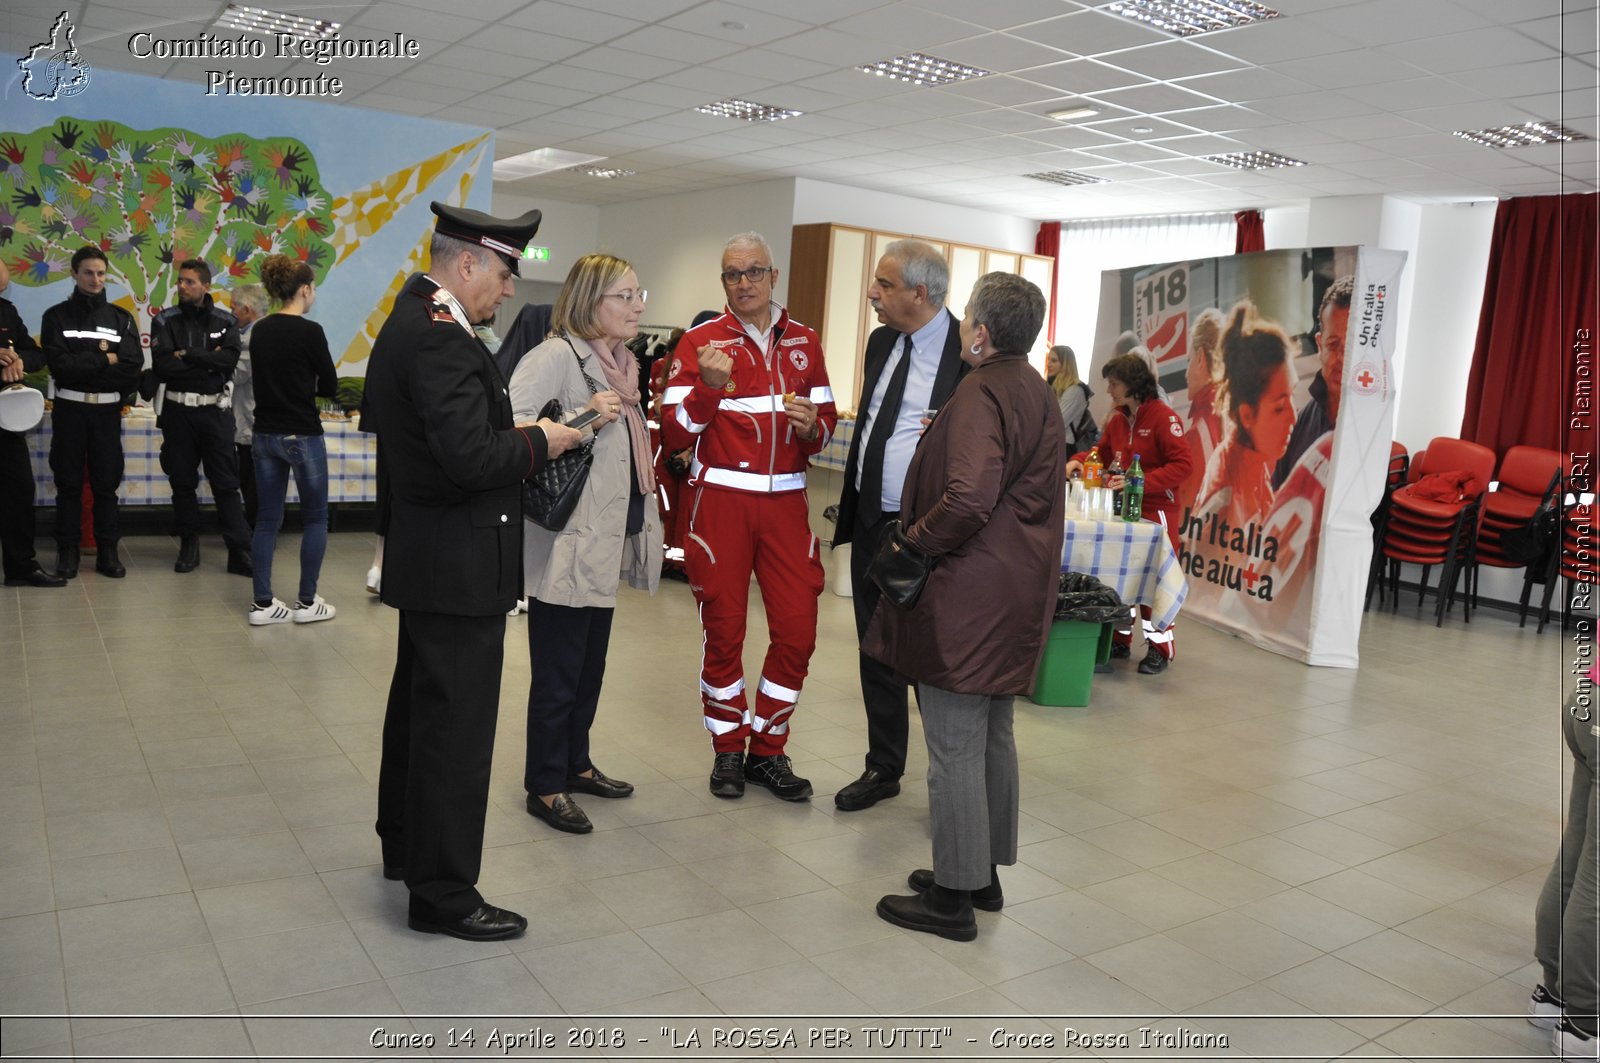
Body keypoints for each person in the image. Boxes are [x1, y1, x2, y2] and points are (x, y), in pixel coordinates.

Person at [368, 203, 580, 943]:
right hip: (457, 564)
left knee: (420, 716)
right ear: (466, 265)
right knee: (454, 735)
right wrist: (541, 440)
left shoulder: (415, 321)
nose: (507, 290)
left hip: (433, 558)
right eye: (502, 273)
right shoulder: (439, 339)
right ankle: (445, 893)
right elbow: (470, 457)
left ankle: (406, 847)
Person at [866, 271, 1065, 942]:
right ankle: (980, 872)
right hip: (1014, 594)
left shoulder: (981, 390)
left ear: (979, 332)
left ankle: (952, 898)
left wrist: (911, 543)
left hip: (969, 595)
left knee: (953, 744)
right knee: (992, 737)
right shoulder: (1037, 389)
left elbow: (970, 499)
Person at [660, 232, 837, 801]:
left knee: (798, 633)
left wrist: (815, 428)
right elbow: (675, 433)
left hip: (787, 506)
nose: (743, 284)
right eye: (732, 275)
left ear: (773, 276)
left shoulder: (805, 342)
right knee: (725, 634)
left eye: (753, 272)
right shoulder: (699, 342)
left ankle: (769, 747)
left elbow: (826, 424)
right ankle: (729, 751)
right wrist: (708, 391)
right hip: (722, 508)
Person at [510, 252, 662, 834]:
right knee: (557, 672)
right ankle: (544, 785)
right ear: (589, 300)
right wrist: (585, 416)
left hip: (602, 539)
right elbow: (516, 431)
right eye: (625, 295)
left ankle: (576, 764)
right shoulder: (554, 356)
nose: (638, 306)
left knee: (589, 668)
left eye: (638, 293)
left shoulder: (622, 364)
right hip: (564, 541)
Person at [831, 239, 967, 813]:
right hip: (871, 521)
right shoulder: (881, 342)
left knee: (930, 658)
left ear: (920, 291)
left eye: (883, 285)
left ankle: (950, 779)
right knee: (874, 648)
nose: (871, 294)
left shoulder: (969, 354)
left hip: (929, 532)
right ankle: (883, 766)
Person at [1067, 353, 1194, 674]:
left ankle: (1159, 649)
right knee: (1121, 574)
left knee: (1152, 581)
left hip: (1156, 512)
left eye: (1114, 384)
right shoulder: (1120, 418)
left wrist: (1142, 481)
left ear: (1134, 385)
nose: (1108, 390)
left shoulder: (1164, 418)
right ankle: (1120, 640)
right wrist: (1080, 459)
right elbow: (1103, 452)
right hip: (1123, 511)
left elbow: (1183, 465)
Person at [246, 254, 338, 625]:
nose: (314, 294)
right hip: (302, 433)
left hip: (264, 433)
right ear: (303, 290)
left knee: (267, 520)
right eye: (313, 287)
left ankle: (263, 604)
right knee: (315, 518)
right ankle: (306, 601)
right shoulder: (310, 332)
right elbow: (330, 385)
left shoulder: (260, 330)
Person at [149, 258, 253, 576]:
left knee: (226, 483)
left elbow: (230, 360)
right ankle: (189, 544)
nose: (182, 286)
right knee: (183, 482)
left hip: (214, 412)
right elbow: (164, 364)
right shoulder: (165, 320)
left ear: (206, 285)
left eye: (189, 282)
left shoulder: (226, 321)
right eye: (180, 281)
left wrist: (190, 354)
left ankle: (239, 551)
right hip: (178, 412)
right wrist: (210, 359)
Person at [42, 245, 141, 579]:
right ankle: (67, 552)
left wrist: (86, 365)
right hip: (69, 411)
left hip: (107, 414)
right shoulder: (55, 316)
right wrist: (104, 359)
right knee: (68, 483)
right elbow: (60, 366)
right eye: (88, 272)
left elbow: (130, 368)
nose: (95, 279)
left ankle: (107, 552)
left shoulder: (121, 318)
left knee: (106, 484)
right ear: (74, 273)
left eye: (101, 273)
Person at [1532, 664, 1600, 1057]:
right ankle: (1586, 1022)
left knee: (1576, 855)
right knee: (1594, 876)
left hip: (1587, 696)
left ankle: (1554, 993)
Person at [1192, 303, 1297, 530]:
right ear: (1247, 415)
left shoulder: (1252, 469)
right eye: (1279, 407)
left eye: (1293, 396)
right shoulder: (1226, 503)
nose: (1293, 417)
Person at [0, 259, 66, 588]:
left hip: (6, 421)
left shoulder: (7, 312)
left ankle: (20, 567)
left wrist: (21, 361)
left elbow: (36, 353)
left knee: (18, 492)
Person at [1273, 275, 1352, 488]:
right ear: (1319, 345)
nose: (1342, 358)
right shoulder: (1297, 426)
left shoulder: (1371, 424)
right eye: (1334, 345)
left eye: (1351, 346)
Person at [229, 284, 266, 529]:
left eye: (233, 307)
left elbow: (237, 373)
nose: (230, 312)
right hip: (250, 415)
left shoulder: (252, 337)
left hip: (251, 418)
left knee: (253, 480)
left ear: (247, 309)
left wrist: (210, 362)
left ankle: (257, 529)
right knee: (253, 479)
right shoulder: (256, 332)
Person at [1179, 308, 1224, 508]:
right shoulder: (1237, 414)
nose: (1186, 374)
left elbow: (1187, 519)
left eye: (1189, 361)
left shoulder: (1201, 431)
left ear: (1199, 359)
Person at [1047, 344, 1095, 455]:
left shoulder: (1075, 391)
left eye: (1054, 361)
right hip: (1054, 445)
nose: (1049, 364)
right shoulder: (1053, 388)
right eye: (1049, 360)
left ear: (1065, 364)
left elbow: (1057, 421)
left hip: (1064, 447)